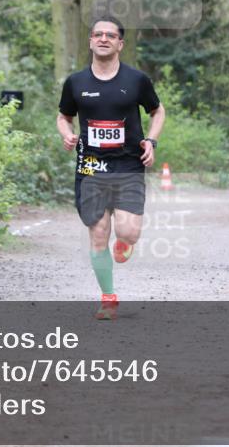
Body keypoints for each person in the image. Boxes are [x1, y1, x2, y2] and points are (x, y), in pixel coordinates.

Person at [57, 17, 166, 320]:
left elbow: (157, 111)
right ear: (90, 41)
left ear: (120, 43)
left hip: (129, 163)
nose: (104, 38)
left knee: (128, 232)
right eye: (98, 34)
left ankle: (125, 243)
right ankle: (108, 299)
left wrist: (151, 141)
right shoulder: (76, 83)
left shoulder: (136, 80)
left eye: (111, 35)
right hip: (90, 166)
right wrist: (67, 134)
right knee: (98, 232)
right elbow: (63, 116)